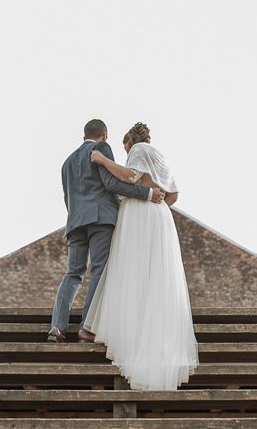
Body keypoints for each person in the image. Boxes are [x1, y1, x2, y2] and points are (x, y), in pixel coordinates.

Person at [84, 122, 199, 390]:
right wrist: (157, 204)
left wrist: (102, 159)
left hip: (141, 214)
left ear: (129, 142)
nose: (126, 152)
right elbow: (174, 194)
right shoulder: (158, 155)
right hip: (162, 218)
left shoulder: (138, 149)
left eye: (125, 148)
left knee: (133, 269)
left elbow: (131, 175)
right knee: (156, 273)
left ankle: (132, 335)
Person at [48, 119, 166, 343]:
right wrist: (146, 194)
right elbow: (111, 184)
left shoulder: (67, 163)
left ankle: (57, 327)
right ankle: (87, 326)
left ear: (85, 135)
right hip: (100, 218)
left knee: (73, 274)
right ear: (104, 135)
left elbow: (68, 198)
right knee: (99, 271)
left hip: (75, 222)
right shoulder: (101, 149)